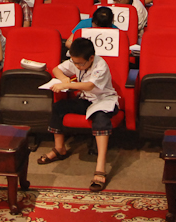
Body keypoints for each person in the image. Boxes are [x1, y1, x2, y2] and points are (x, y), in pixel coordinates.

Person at [37, 36, 118, 192]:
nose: (77, 66)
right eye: (74, 63)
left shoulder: (100, 65)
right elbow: (56, 70)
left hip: (104, 101)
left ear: (91, 58)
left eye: (80, 64)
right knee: (59, 107)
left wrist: (67, 85)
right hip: (86, 100)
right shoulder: (76, 60)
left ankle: (100, 167)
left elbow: (89, 85)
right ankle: (59, 149)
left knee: (100, 119)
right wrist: (63, 78)